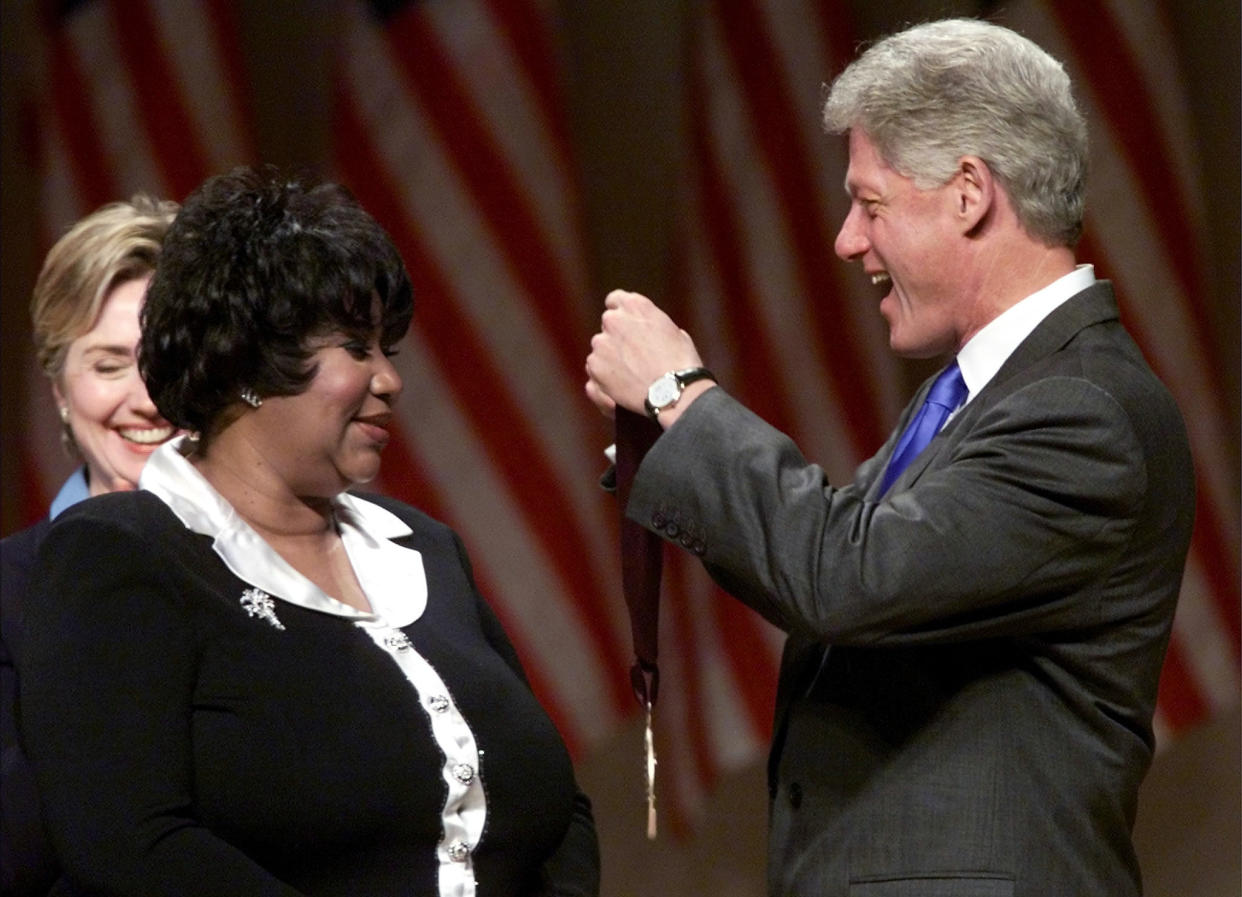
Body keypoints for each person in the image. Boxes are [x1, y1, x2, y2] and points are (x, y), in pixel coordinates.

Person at [585, 18, 1194, 897]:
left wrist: (682, 397)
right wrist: (669, 436)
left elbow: (844, 573)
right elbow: (834, 548)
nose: (845, 240)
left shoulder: (1082, 412)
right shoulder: (987, 393)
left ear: (970, 193)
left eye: (870, 204)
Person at [19, 166, 599, 896]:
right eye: (357, 348)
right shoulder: (120, 551)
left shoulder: (424, 548)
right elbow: (134, 842)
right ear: (250, 362)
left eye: (390, 348)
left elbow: (556, 805)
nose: (389, 379)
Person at [1, 195, 179, 896]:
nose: (146, 398)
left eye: (168, 360)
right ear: (59, 392)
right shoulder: (10, 589)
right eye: (108, 365)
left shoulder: (296, 569)